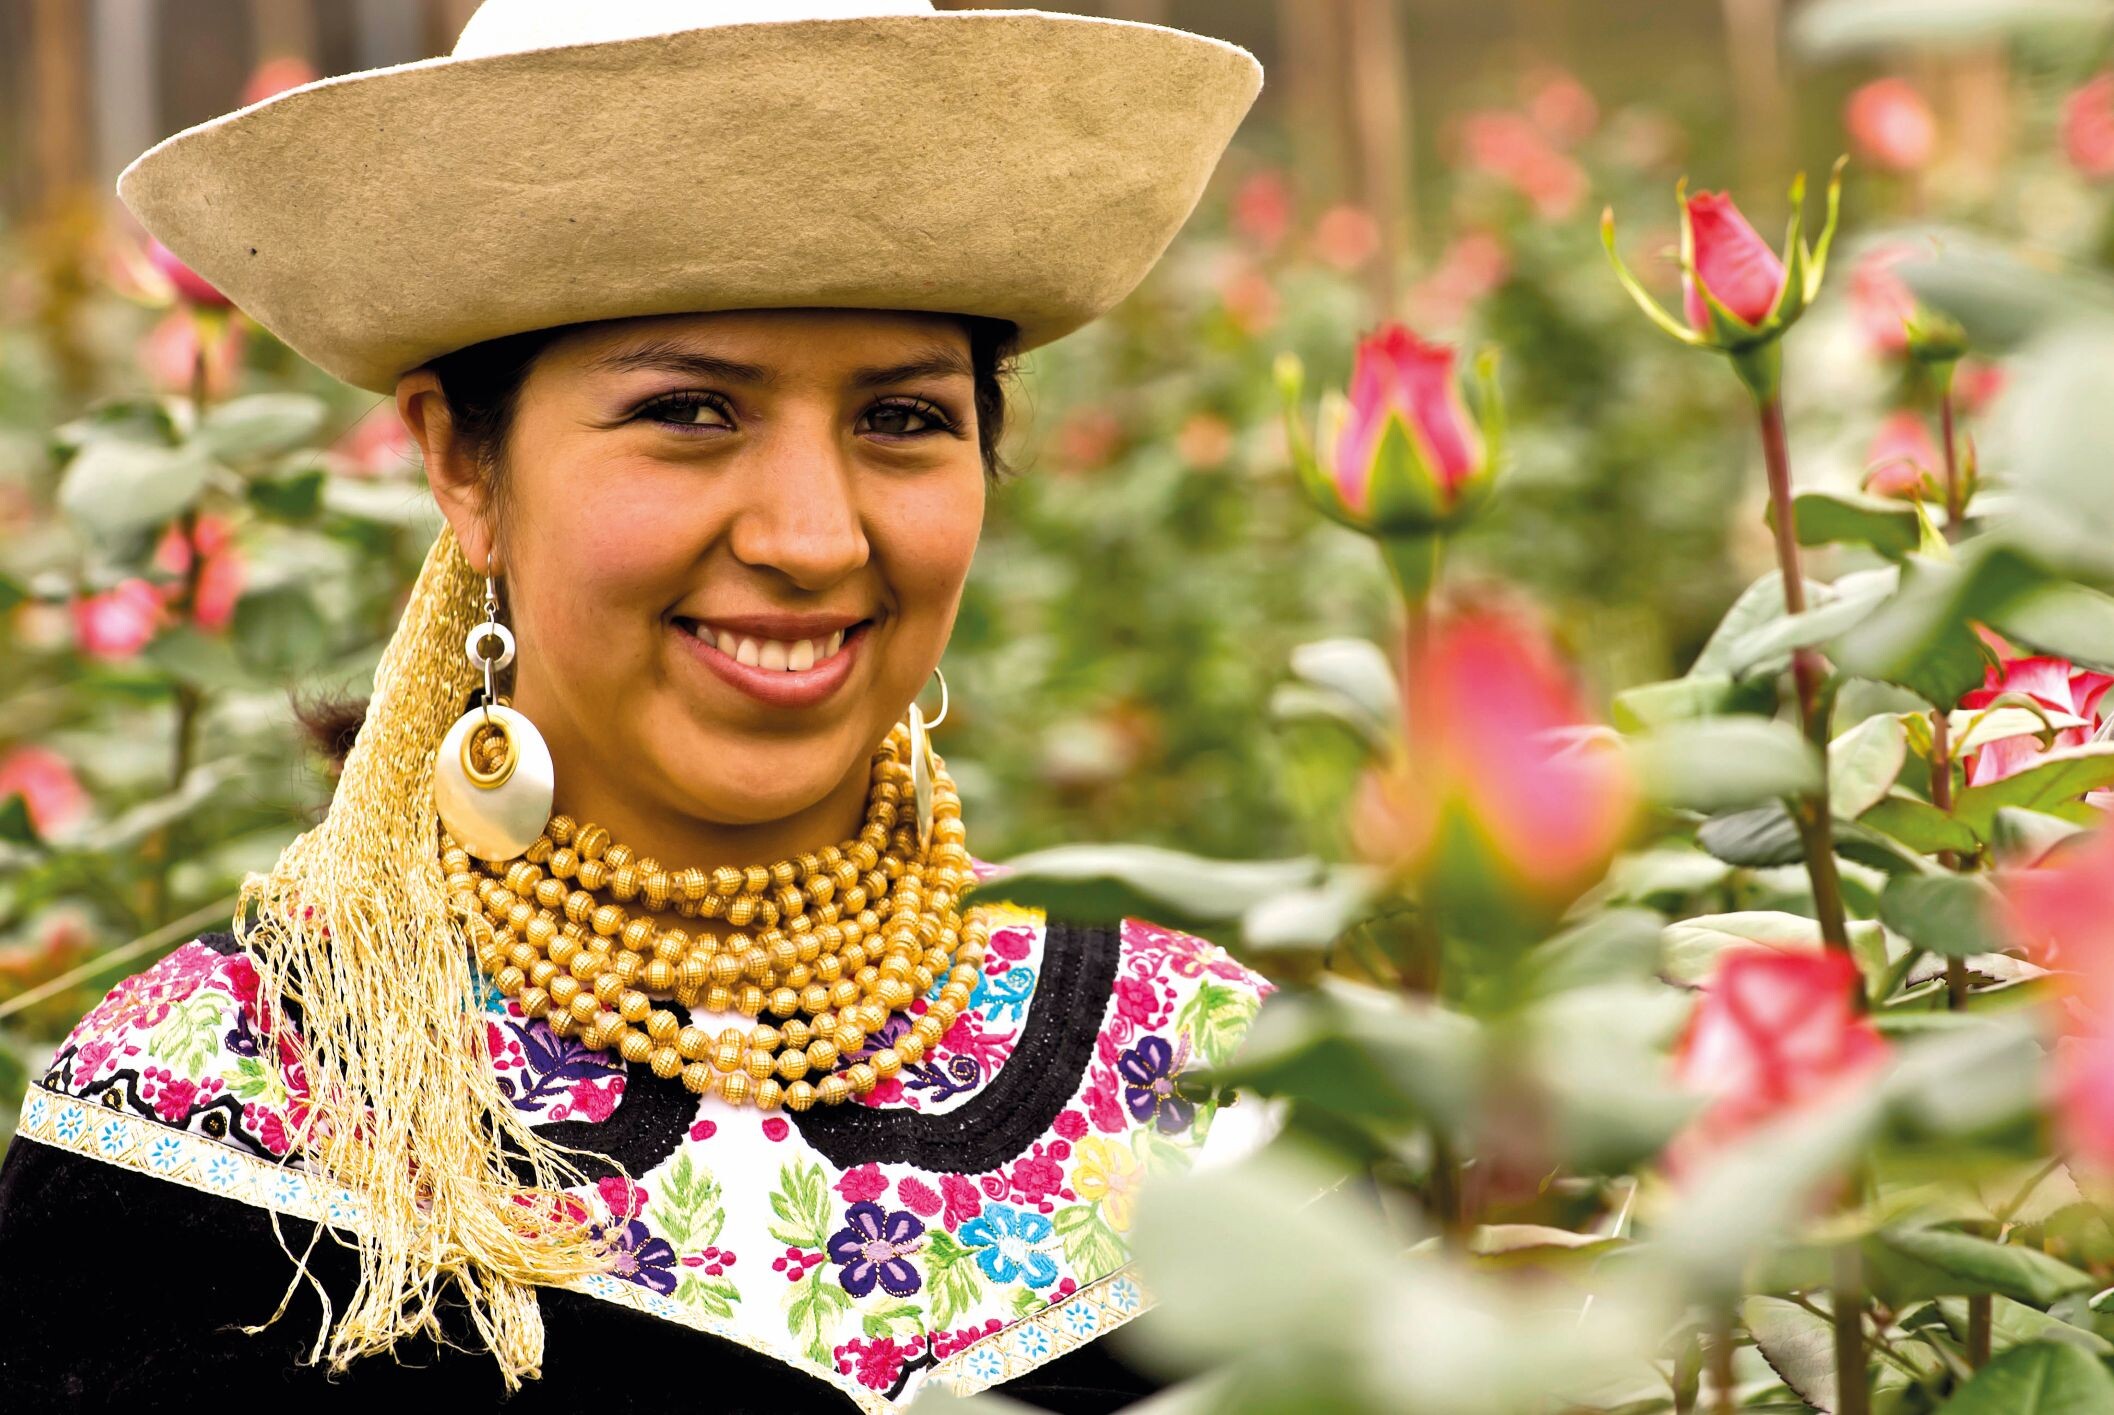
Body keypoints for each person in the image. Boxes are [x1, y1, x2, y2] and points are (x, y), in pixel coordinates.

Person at [0, 3, 1273, 1411]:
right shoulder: (204, 1111)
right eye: (691, 411)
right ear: (462, 464)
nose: (813, 536)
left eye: (903, 419)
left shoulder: (1210, 1073)